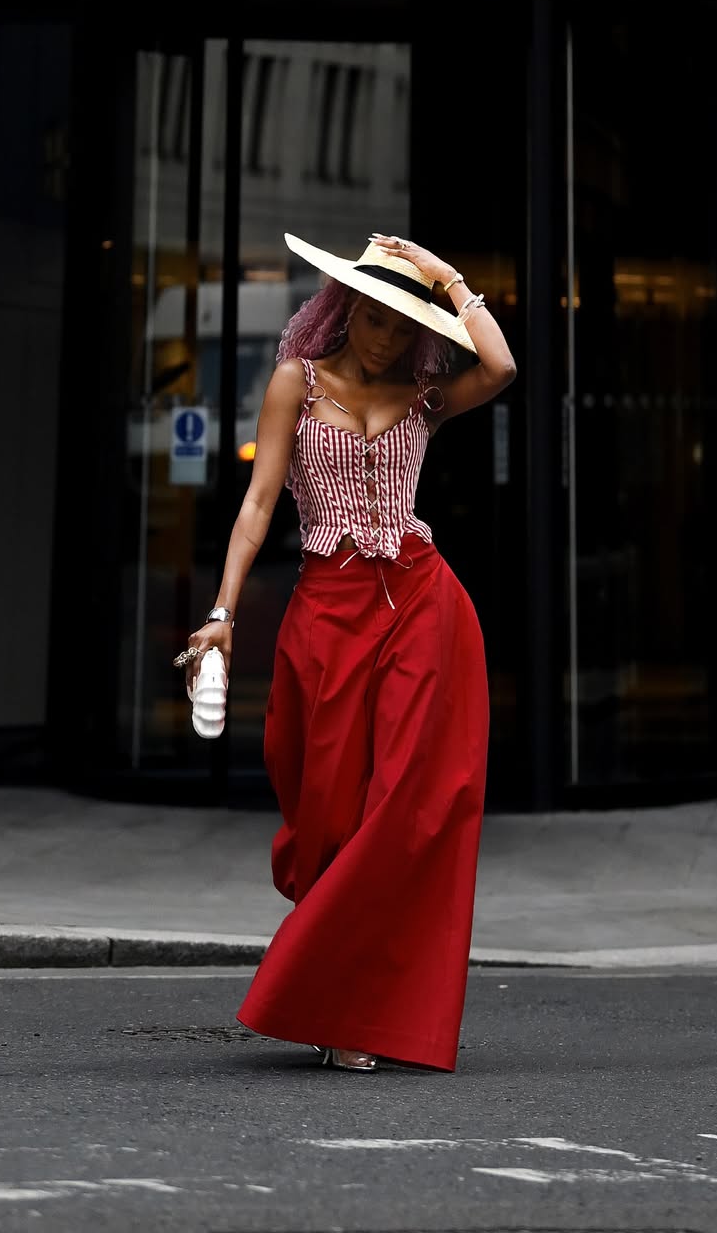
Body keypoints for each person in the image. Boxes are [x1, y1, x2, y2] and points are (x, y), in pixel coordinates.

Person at [177, 231, 517, 1073]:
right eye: (373, 320)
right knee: (330, 813)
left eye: (402, 327)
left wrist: (446, 277)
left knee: (404, 805)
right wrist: (222, 612)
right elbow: (259, 504)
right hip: (327, 613)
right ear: (343, 310)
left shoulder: (425, 396)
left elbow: (502, 366)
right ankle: (337, 990)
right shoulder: (296, 382)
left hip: (422, 605)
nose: (385, 339)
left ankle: (354, 1012)